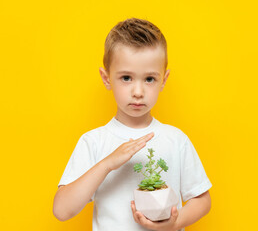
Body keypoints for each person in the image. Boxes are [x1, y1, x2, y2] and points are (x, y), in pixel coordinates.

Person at [53, 17, 212, 231]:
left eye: (149, 79)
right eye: (126, 78)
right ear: (106, 78)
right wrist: (107, 164)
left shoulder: (176, 139)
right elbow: (62, 210)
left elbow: (202, 200)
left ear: (163, 80)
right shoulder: (94, 142)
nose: (138, 92)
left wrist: (174, 224)